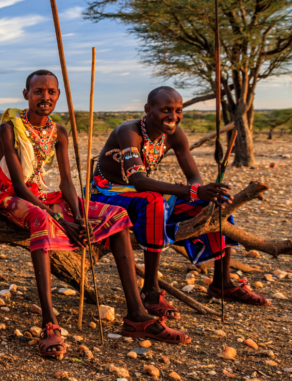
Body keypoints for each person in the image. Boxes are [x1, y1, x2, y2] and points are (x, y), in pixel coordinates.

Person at [0, 71, 190, 357]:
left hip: (45, 193)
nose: (45, 97)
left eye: (51, 92)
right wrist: (62, 220)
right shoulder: (10, 128)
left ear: (58, 96)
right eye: (38, 91)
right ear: (26, 94)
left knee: (114, 216)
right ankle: (49, 323)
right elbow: (17, 185)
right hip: (11, 196)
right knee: (42, 219)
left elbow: (66, 182)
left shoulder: (59, 131)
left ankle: (137, 315)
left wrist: (78, 217)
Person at [90, 86, 270, 321]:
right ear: (148, 110)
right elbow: (139, 181)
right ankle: (151, 291)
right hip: (107, 193)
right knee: (153, 201)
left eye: (178, 110)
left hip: (139, 192)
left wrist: (199, 193)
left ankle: (222, 282)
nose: (173, 117)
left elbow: (193, 178)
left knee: (215, 206)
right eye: (166, 110)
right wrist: (192, 190)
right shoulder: (129, 132)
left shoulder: (174, 134)